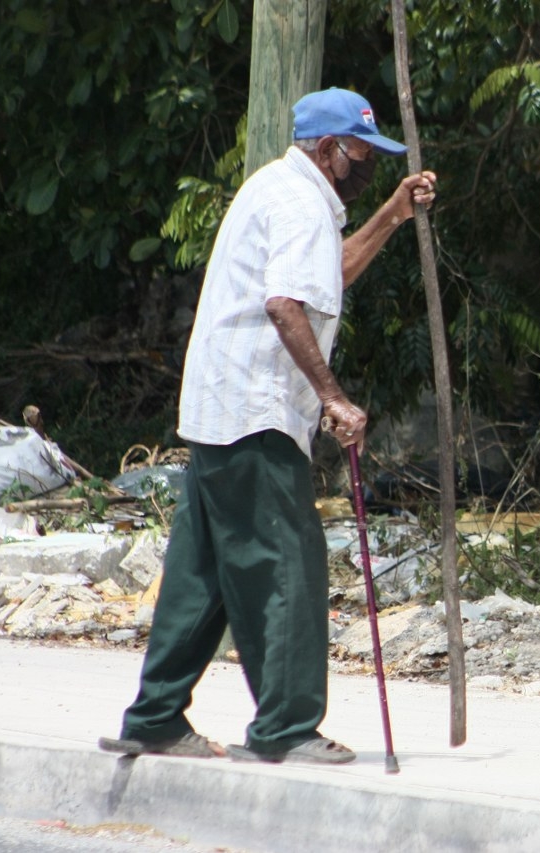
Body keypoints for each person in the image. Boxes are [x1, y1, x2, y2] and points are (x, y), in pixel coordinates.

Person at [100, 88, 436, 764]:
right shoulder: (301, 204)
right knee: (289, 565)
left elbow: (326, 275)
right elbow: (285, 305)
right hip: (257, 414)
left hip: (218, 411)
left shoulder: (281, 190)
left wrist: (392, 215)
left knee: (205, 573)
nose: (367, 161)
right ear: (327, 150)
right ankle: (285, 728)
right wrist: (333, 397)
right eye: (360, 151)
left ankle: (156, 715)